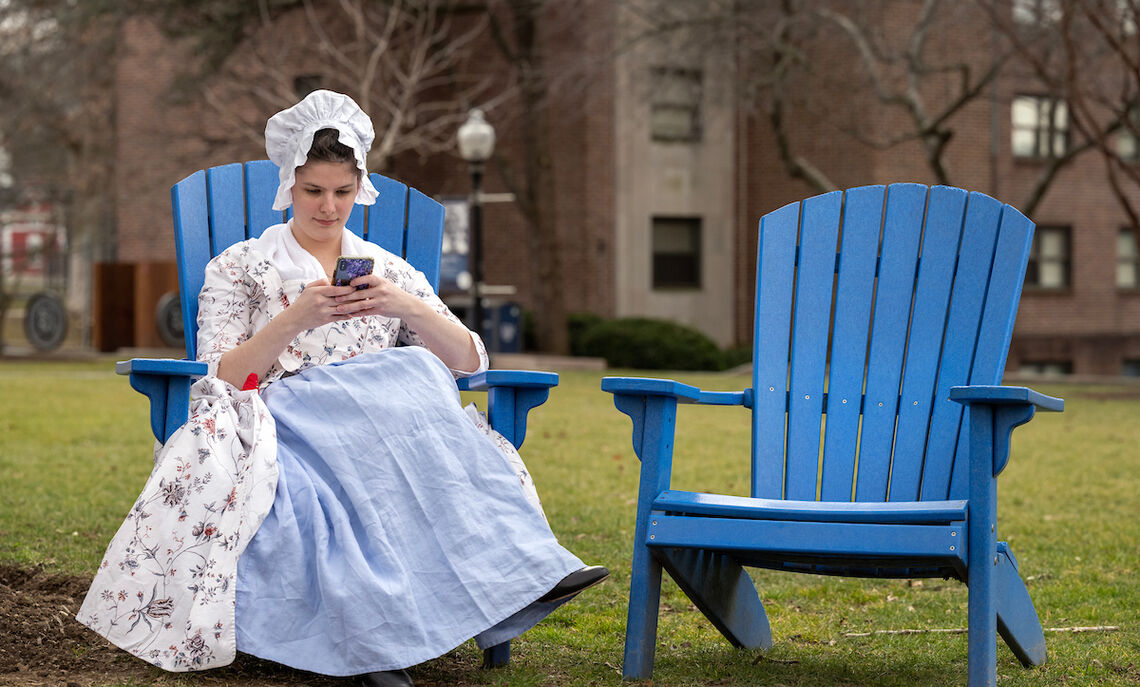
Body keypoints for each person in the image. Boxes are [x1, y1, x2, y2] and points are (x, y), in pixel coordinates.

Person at [77, 90, 607, 687]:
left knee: (414, 373)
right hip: (294, 419)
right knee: (402, 387)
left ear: (360, 190)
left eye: (342, 192)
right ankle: (415, 628)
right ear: (288, 187)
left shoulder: (388, 269)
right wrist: (293, 319)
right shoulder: (241, 266)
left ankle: (525, 576)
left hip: (388, 422)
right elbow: (221, 376)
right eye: (313, 192)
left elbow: (466, 359)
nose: (329, 208)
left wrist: (407, 305)